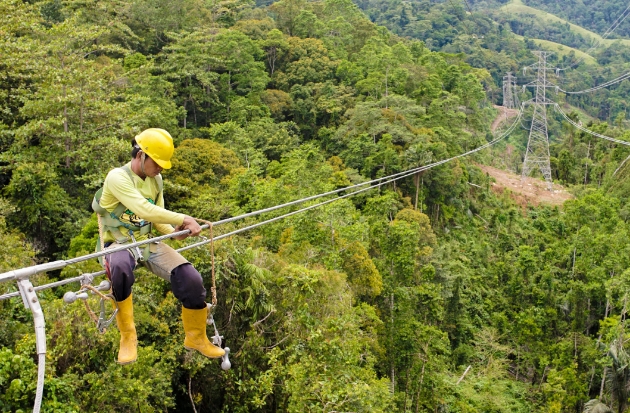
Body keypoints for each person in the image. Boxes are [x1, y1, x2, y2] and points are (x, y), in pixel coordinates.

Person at [93, 128, 225, 365]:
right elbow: (144, 209)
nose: (161, 168)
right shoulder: (117, 177)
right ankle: (128, 337)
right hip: (117, 241)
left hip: (146, 241)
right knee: (121, 267)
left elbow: (157, 220)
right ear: (141, 155)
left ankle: (196, 337)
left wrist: (175, 234)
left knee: (191, 278)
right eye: (157, 162)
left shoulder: (156, 180)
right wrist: (183, 218)